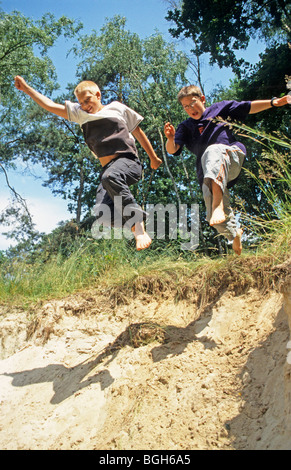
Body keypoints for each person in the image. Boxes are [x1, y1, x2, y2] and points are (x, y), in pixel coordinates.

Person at [14, 76, 162, 250]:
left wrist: (153, 157)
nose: (85, 105)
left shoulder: (117, 108)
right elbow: (50, 105)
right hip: (108, 171)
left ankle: (138, 226)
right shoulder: (80, 114)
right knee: (103, 214)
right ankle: (134, 221)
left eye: (87, 100)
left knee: (110, 176)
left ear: (98, 95)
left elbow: (138, 132)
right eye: (81, 103)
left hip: (128, 163)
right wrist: (26, 88)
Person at [164, 85, 290, 255]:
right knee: (214, 221)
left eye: (193, 103)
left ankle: (218, 204)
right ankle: (235, 234)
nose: (190, 109)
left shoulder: (219, 108)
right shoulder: (185, 127)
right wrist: (170, 138)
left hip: (231, 156)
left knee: (213, 150)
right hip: (210, 173)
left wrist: (275, 102)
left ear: (202, 99)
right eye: (185, 106)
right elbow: (172, 150)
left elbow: (249, 106)